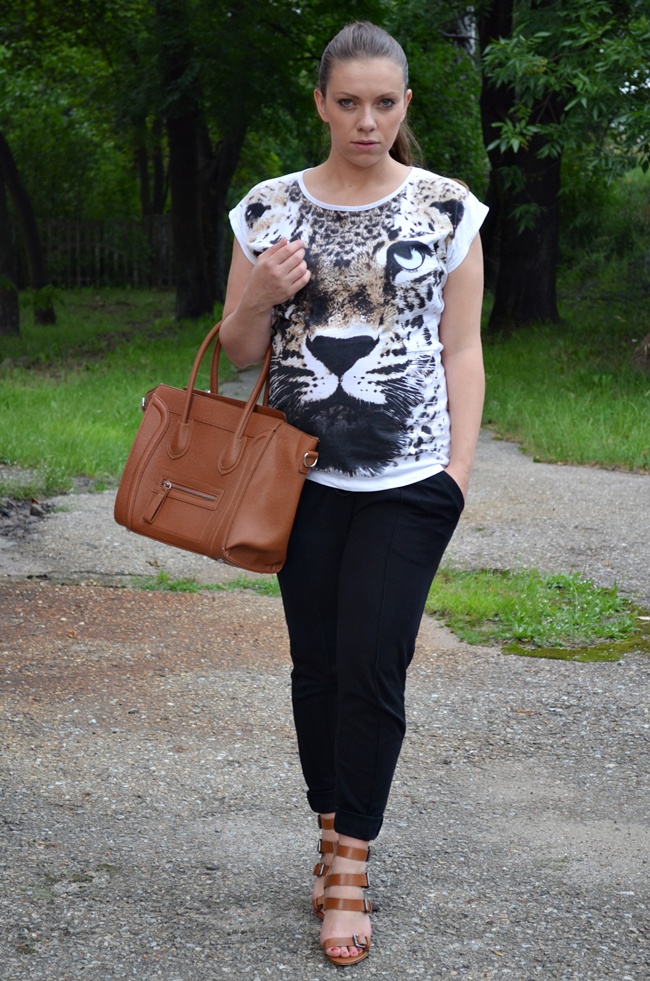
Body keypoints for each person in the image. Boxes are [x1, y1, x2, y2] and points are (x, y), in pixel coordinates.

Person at [220, 20, 487, 967]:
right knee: (319, 666)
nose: (366, 120)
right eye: (348, 102)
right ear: (322, 104)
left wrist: (456, 474)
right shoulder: (268, 207)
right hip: (297, 480)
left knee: (375, 664)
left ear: (405, 104)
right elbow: (238, 349)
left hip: (411, 482)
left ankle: (350, 870)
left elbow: (462, 348)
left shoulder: (448, 208)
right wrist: (262, 291)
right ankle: (330, 826)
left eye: (383, 103)